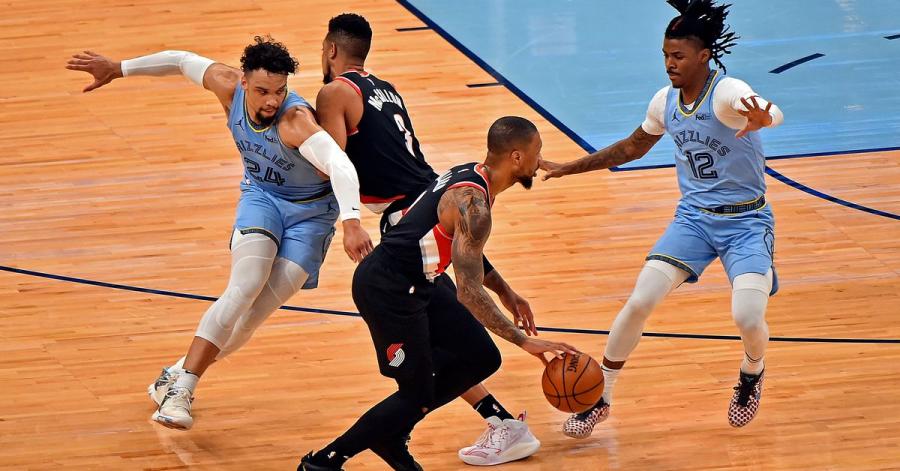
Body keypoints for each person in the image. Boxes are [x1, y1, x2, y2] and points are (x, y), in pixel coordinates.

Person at [66, 36, 372, 430]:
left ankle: (175, 373)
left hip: (312, 216)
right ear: (243, 82)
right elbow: (181, 60)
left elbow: (340, 166)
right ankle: (183, 390)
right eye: (262, 91)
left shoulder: (295, 121)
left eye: (279, 91)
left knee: (253, 316)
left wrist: (351, 222)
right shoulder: (225, 84)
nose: (271, 101)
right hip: (263, 198)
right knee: (245, 286)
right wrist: (119, 67)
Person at [541, 0, 784, 437]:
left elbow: (769, 110)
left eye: (679, 56)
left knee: (748, 316)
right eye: (666, 55)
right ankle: (600, 398)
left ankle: (752, 373)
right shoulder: (664, 101)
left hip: (746, 223)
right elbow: (631, 147)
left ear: (703, 56)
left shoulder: (727, 93)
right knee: (640, 301)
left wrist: (765, 117)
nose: (670, 64)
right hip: (693, 221)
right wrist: (568, 167)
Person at [315, 13, 542, 465]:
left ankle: (490, 424)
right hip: (423, 199)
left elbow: (331, 164)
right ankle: (490, 422)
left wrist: (347, 218)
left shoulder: (333, 92)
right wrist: (512, 308)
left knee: (443, 345)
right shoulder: (385, 89)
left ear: (331, 49)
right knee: (442, 344)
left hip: (408, 214)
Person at [299, 117, 579, 471]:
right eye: (537, 152)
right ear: (517, 157)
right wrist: (524, 341)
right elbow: (468, 292)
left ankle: (393, 433)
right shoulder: (474, 205)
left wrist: (506, 292)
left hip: (422, 281)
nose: (540, 161)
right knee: (416, 395)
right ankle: (325, 461)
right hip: (388, 289)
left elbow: (465, 251)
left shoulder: (470, 173)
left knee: (481, 357)